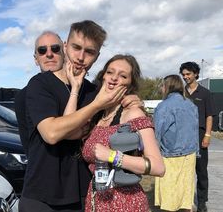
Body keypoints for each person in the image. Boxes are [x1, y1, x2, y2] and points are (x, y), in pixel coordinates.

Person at [18, 20, 141, 212]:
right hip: (42, 195)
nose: (81, 57)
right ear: (66, 46)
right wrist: (95, 106)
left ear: (97, 56)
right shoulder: (40, 84)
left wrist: (132, 101)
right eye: (76, 47)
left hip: (82, 193)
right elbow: (51, 134)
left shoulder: (94, 91)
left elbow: (118, 119)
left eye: (89, 52)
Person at [81, 54, 165, 212]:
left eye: (123, 76)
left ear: (130, 84)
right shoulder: (97, 114)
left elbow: (158, 167)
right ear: (102, 76)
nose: (114, 78)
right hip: (96, 200)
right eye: (110, 72)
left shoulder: (133, 113)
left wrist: (112, 156)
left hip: (126, 202)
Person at [153, 74, 199, 212]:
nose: (162, 88)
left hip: (170, 155)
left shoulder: (164, 106)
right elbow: (195, 129)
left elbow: (157, 133)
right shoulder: (191, 105)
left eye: (162, 86)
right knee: (185, 195)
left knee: (169, 196)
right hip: (189, 154)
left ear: (168, 86)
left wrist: (153, 153)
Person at [179, 62, 216, 212]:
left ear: (195, 74)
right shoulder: (180, 93)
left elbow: (209, 116)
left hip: (199, 136)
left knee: (201, 171)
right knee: (183, 170)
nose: (185, 77)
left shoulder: (205, 93)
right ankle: (183, 200)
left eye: (188, 74)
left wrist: (207, 135)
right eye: (183, 74)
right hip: (182, 137)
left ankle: (202, 202)